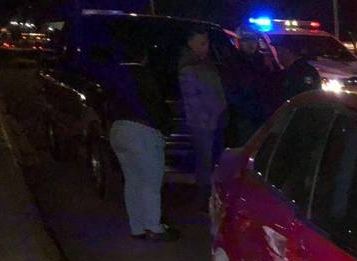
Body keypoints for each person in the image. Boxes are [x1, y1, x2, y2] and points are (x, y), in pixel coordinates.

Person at [100, 45, 179, 241]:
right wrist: (166, 126)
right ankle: (154, 227)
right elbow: (155, 105)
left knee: (133, 181)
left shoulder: (114, 75)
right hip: (141, 131)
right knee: (150, 182)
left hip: (118, 129)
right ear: (144, 57)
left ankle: (137, 227)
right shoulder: (143, 76)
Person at [178, 27, 227, 207]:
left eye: (206, 43)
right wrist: (210, 117)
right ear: (191, 44)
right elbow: (194, 100)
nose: (206, 47)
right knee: (205, 163)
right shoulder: (189, 68)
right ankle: (203, 200)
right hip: (203, 123)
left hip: (213, 120)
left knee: (212, 161)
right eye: (202, 43)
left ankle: (209, 197)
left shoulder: (206, 64)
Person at [224, 30, 277, 147]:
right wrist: (242, 108)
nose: (250, 44)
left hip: (263, 116)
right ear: (239, 43)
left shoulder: (264, 63)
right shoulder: (233, 63)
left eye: (253, 40)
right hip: (244, 117)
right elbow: (230, 91)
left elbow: (270, 88)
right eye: (246, 41)